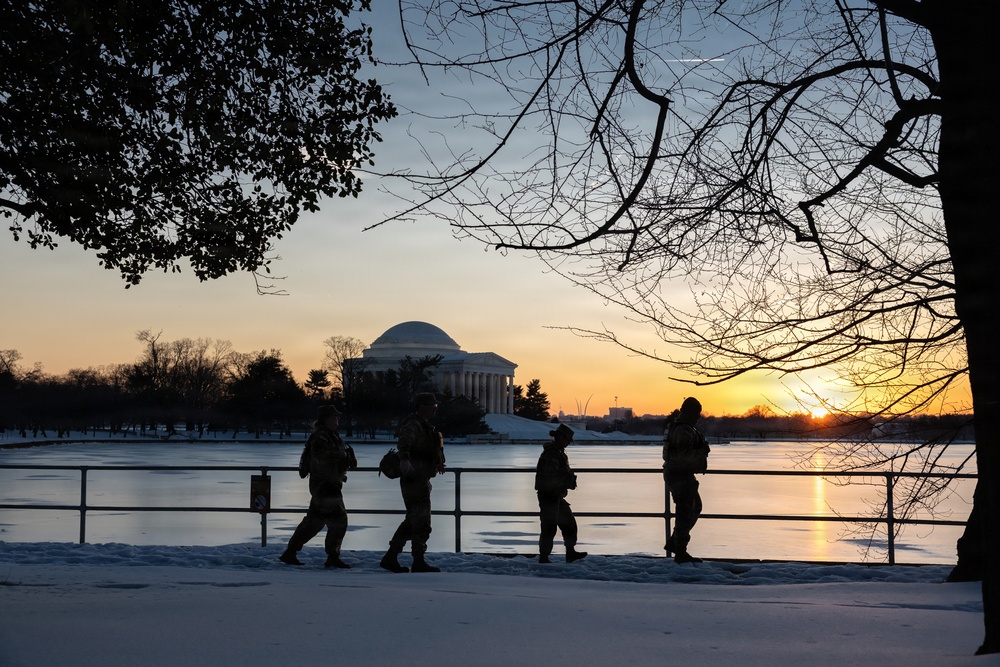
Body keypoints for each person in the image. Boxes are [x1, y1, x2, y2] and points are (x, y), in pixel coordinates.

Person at [279, 404, 358, 568]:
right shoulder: (321, 437)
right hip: (325, 486)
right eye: (334, 417)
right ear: (326, 419)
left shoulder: (331, 436)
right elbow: (322, 458)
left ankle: (290, 552)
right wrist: (343, 455)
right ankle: (332, 556)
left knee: (314, 522)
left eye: (338, 417)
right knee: (339, 520)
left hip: (326, 485)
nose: (337, 420)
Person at [380, 392, 446, 573]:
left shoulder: (424, 426)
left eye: (436, 406)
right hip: (414, 479)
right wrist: (405, 460)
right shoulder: (413, 424)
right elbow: (404, 443)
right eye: (432, 405)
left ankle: (392, 557)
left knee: (413, 520)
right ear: (422, 406)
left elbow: (425, 449)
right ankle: (416, 560)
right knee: (421, 521)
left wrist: (437, 462)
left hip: (420, 477)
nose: (434, 409)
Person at [662, 397, 711, 564]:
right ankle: (680, 551)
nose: (698, 417)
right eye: (696, 413)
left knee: (694, 507)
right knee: (685, 512)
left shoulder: (682, 427)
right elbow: (685, 456)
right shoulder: (684, 430)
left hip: (679, 474)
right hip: (680, 475)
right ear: (688, 412)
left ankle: (675, 544)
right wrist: (702, 452)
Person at [534, 423, 587, 564]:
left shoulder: (558, 453)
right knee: (549, 527)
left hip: (556, 495)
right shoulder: (553, 454)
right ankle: (544, 558)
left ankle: (570, 552)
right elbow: (552, 475)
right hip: (549, 495)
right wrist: (567, 480)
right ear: (561, 438)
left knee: (569, 523)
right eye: (568, 440)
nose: (569, 443)